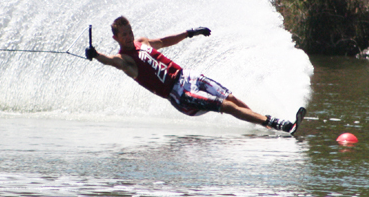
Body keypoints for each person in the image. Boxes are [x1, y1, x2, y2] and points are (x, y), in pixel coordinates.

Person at [85, 16, 305, 133]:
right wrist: (96, 54)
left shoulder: (141, 42)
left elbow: (164, 41)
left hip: (186, 76)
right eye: (124, 34)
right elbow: (110, 61)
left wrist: (191, 33)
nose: (129, 36)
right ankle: (277, 123)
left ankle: (264, 124)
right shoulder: (126, 61)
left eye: (130, 31)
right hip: (179, 95)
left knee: (231, 98)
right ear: (116, 39)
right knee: (226, 107)